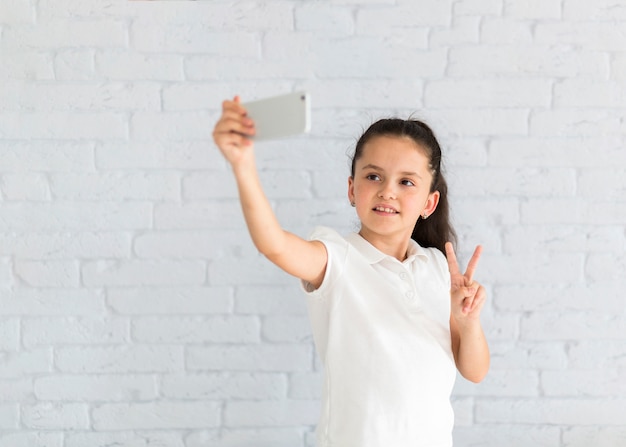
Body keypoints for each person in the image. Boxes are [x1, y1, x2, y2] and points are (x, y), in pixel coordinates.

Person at [213, 95, 490, 447]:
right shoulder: (337, 259)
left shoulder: (436, 268)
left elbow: (475, 371)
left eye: (406, 182)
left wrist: (468, 322)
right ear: (351, 189)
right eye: (374, 176)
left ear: (428, 203)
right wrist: (242, 165)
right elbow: (275, 245)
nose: (387, 191)